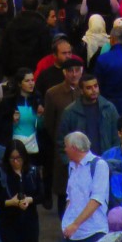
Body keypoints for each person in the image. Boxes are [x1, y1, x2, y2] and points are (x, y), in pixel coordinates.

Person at [44, 58, 85, 216]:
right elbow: (49, 123)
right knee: (64, 190)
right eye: (70, 71)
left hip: (84, 149)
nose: (74, 74)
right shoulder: (53, 94)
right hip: (63, 149)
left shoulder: (86, 90)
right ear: (64, 72)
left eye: (77, 70)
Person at [62, 131, 110, 242]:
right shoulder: (72, 166)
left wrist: (75, 224)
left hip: (93, 231)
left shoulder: (99, 165)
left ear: (74, 148)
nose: (65, 150)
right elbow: (70, 197)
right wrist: (67, 222)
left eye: (66, 146)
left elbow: (96, 200)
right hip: (71, 233)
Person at [0, 139, 43, 242]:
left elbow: (42, 195)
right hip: (8, 223)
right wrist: (11, 202)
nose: (15, 162)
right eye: (12, 158)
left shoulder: (32, 171)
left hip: (29, 223)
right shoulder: (2, 174)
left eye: (18, 158)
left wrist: (30, 200)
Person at [58, 73, 120, 161]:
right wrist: (69, 163)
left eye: (95, 86)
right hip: (80, 163)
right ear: (81, 91)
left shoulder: (109, 108)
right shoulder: (70, 112)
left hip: (106, 161)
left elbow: (117, 135)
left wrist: (114, 159)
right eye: (89, 88)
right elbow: (62, 141)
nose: (94, 90)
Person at [0, 68, 44, 152]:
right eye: (27, 81)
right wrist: (12, 122)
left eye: (32, 80)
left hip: (34, 147)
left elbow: (41, 128)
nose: (31, 83)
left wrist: (40, 117)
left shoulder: (38, 100)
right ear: (19, 83)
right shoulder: (8, 102)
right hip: (14, 147)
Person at [1, 0, 52, 79]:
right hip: (35, 70)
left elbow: (5, 48)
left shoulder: (12, 24)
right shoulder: (42, 26)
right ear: (37, 7)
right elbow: (46, 50)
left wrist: (6, 70)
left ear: (23, 7)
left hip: (14, 70)